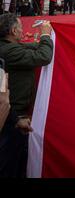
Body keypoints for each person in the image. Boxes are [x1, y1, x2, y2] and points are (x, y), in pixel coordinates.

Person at [0, 14, 53, 177]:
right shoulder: (9, 50)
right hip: (13, 115)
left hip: (14, 114)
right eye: (21, 27)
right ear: (13, 31)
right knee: (11, 162)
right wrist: (45, 35)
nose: (23, 30)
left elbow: (30, 47)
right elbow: (43, 57)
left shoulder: (7, 46)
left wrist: (42, 40)